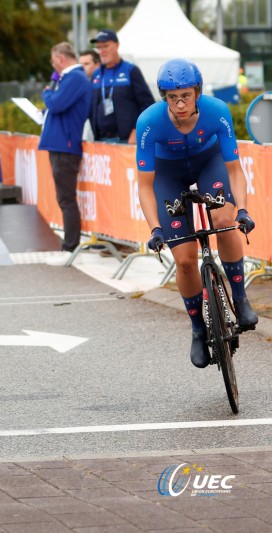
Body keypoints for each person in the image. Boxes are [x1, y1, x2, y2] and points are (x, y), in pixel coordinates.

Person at [136, 58, 258, 369]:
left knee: (223, 220)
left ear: (198, 92)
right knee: (186, 259)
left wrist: (242, 208)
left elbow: (234, 169)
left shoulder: (217, 111)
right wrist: (154, 229)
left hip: (208, 163)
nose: (179, 103)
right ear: (164, 97)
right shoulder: (149, 122)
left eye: (186, 96)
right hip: (168, 176)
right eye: (171, 97)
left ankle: (240, 298)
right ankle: (197, 328)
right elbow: (146, 185)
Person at [38, 43, 92, 263]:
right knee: (64, 198)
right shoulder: (71, 79)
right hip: (61, 144)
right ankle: (69, 247)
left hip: (65, 146)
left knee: (66, 198)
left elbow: (57, 104)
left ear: (60, 59)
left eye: (53, 62)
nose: (54, 66)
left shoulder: (75, 78)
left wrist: (47, 93)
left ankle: (70, 248)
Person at [89, 29, 154, 144]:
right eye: (98, 47)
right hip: (100, 141)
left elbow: (147, 104)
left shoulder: (130, 70)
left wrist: (136, 130)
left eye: (105, 46)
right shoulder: (97, 74)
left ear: (117, 45)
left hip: (124, 140)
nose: (101, 51)